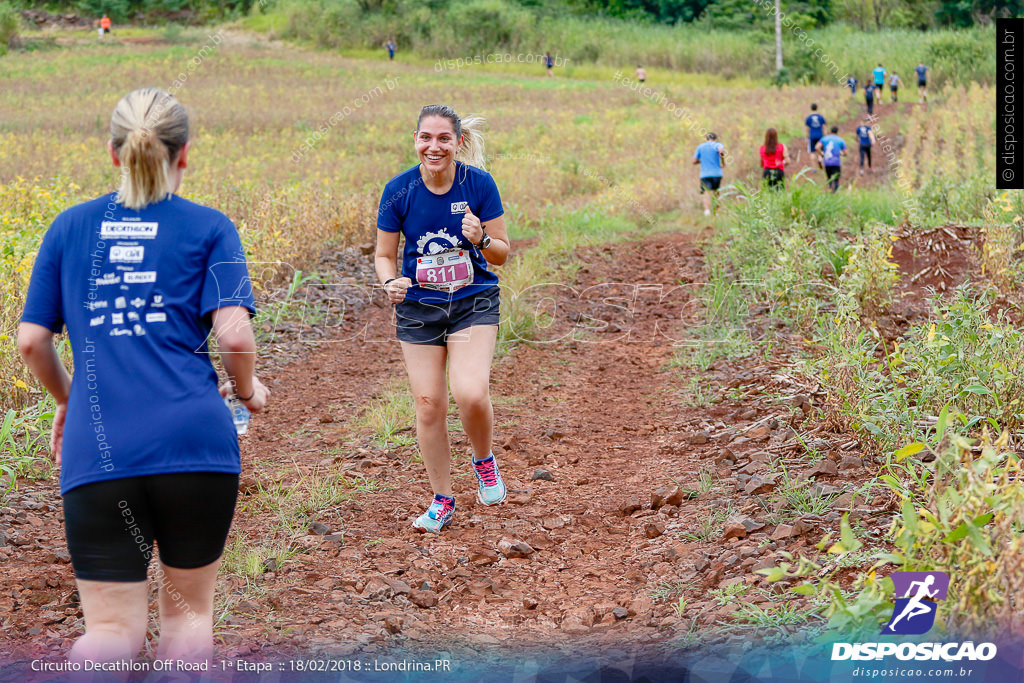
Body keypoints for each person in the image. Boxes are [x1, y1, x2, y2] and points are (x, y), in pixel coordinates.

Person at [18, 88, 269, 668]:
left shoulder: (69, 228)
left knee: (109, 630)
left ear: (112, 153)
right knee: (188, 622)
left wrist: (69, 398)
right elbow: (234, 336)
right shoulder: (211, 228)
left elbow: (32, 341)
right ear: (185, 155)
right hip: (194, 444)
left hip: (98, 448)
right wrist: (250, 392)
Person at [375, 104, 511, 533]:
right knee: (429, 404)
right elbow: (383, 255)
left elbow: (502, 253)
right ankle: (442, 498)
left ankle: (484, 462)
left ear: (458, 143)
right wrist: (390, 281)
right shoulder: (398, 191)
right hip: (419, 306)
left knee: (470, 393)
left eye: (444, 139)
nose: (434, 147)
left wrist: (482, 237)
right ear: (415, 140)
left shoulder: (480, 185)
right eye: (426, 138)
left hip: (473, 300)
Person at [692, 132, 725, 216]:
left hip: (705, 174)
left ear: (706, 139)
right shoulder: (718, 144)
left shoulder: (700, 147)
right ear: (716, 138)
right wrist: (722, 161)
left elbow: (694, 161)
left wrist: (701, 160)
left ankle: (707, 211)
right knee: (716, 193)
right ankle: (717, 211)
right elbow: (721, 150)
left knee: (707, 192)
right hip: (717, 173)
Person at [816, 126, 847, 193]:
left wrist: (821, 154)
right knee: (836, 179)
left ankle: (829, 190)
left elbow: (817, 147)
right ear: (837, 132)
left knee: (829, 178)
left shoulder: (824, 139)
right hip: (836, 162)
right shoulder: (840, 140)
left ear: (830, 131)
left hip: (827, 162)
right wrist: (841, 153)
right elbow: (845, 153)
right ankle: (835, 193)